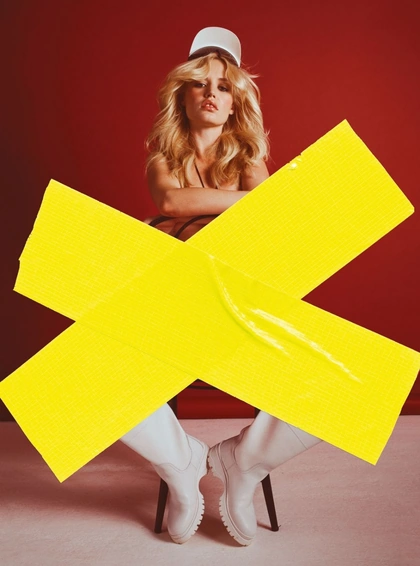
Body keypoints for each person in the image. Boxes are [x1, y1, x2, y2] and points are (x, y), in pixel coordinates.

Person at [121, 27, 321, 546]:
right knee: (92, 376)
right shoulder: (162, 159)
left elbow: (268, 218)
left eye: (225, 86)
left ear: (236, 103)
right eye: (201, 83)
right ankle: (181, 462)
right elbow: (171, 202)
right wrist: (246, 208)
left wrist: (191, 215)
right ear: (183, 96)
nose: (212, 93)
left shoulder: (249, 159)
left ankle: (243, 462)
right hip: (176, 306)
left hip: (239, 305)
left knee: (337, 383)